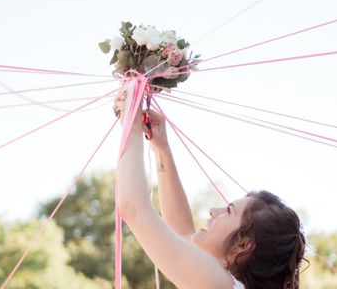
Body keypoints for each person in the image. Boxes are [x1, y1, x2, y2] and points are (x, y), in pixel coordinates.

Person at [114, 88, 306, 289]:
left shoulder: (217, 283)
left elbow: (132, 206)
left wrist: (132, 126)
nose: (214, 211)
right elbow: (182, 233)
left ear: (243, 245)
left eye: (229, 211)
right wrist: (161, 149)